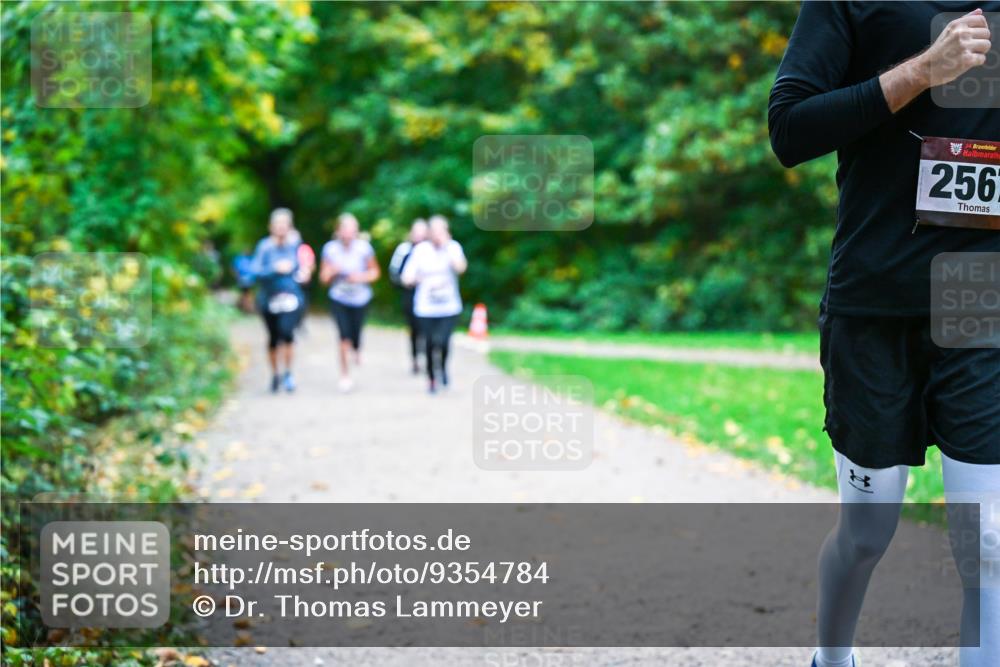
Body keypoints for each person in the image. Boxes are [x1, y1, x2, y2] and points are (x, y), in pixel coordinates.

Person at [769, 5, 998, 667]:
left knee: (987, 543)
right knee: (868, 532)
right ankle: (831, 658)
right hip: (874, 302)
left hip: (979, 301)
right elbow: (790, 130)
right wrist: (924, 71)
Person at [401, 215, 467, 394]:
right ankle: (431, 378)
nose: (438, 235)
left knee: (443, 342)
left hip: (449, 307)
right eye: (434, 232)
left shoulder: (453, 248)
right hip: (425, 308)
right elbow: (406, 277)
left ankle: (443, 368)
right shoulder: (420, 250)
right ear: (429, 233)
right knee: (430, 343)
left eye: (441, 231)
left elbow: (461, 268)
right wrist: (414, 279)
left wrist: (447, 247)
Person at [320, 213, 380, 392]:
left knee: (355, 335)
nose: (348, 234)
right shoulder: (329, 249)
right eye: (345, 229)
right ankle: (345, 375)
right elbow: (323, 279)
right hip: (339, 298)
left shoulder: (364, 248)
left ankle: (357, 348)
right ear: (338, 231)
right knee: (343, 337)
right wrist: (331, 272)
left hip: (361, 298)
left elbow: (375, 272)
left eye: (352, 230)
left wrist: (360, 277)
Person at [250, 208, 305, 393]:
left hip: (291, 298)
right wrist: (275, 269)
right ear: (271, 227)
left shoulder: (295, 245)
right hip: (269, 299)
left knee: (287, 333)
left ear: (290, 227)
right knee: (273, 338)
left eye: (285, 225)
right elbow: (255, 271)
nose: (281, 228)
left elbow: (304, 267)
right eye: (278, 224)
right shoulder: (264, 246)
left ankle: (289, 372)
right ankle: (275, 374)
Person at [388, 218, 429, 374]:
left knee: (428, 328)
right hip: (409, 294)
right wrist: (407, 281)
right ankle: (415, 359)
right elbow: (394, 273)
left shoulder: (432, 249)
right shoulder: (404, 250)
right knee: (414, 328)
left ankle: (429, 356)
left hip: (430, 296)